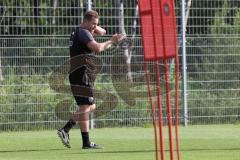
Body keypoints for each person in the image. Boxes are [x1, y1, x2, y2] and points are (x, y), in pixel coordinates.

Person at [57, 10, 124, 149]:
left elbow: (103, 31)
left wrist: (96, 27)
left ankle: (66, 130)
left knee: (89, 106)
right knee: (85, 107)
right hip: (82, 74)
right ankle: (83, 141)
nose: (95, 26)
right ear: (86, 21)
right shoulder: (83, 33)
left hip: (79, 73)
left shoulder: (81, 30)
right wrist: (112, 41)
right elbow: (98, 48)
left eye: (96, 24)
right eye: (93, 24)